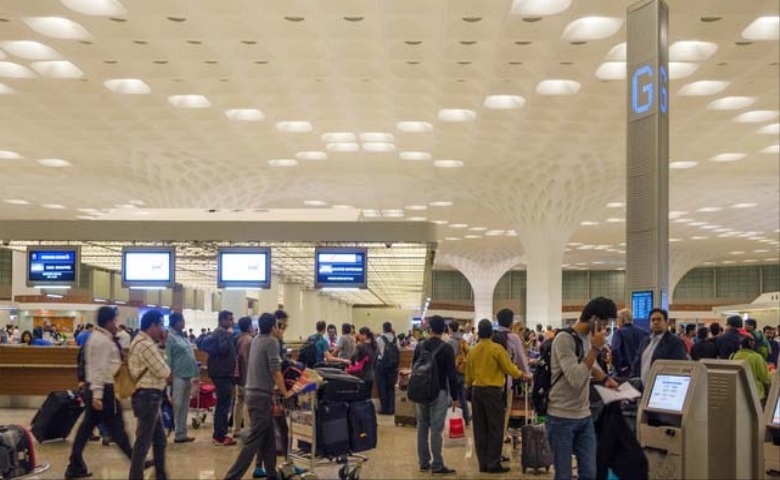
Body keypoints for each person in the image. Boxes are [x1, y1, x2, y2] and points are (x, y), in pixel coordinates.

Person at [547, 297, 619, 480]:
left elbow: (588, 365)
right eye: (604, 323)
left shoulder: (587, 338)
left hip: (584, 415)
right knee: (563, 475)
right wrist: (595, 348)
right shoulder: (563, 339)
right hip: (561, 417)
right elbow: (576, 378)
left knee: (589, 473)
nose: (604, 329)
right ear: (594, 318)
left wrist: (604, 379)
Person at [65, 307, 135, 480]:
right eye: (115, 321)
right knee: (117, 428)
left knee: (87, 427)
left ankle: (74, 465)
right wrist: (97, 395)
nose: (116, 325)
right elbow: (98, 368)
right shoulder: (102, 341)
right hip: (104, 390)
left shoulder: (99, 338)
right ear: (109, 321)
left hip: (99, 389)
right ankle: (136, 460)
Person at [225, 313, 293, 480]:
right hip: (261, 397)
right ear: (273, 327)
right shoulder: (271, 342)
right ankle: (231, 477)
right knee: (253, 442)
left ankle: (272, 474)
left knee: (269, 438)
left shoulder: (255, 339)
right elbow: (276, 371)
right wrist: (286, 392)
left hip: (254, 394)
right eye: (279, 326)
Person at [466, 319, 524, 473]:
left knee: (480, 428)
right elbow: (509, 368)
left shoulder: (472, 351)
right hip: (492, 392)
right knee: (495, 428)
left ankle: (483, 464)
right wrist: (522, 374)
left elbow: (468, 377)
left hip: (476, 391)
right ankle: (493, 463)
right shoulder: (497, 349)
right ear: (491, 333)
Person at [128, 310, 171, 480]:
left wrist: (161, 345)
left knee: (159, 440)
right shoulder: (145, 345)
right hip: (148, 397)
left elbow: (156, 365)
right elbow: (163, 370)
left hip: (149, 396)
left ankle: (161, 475)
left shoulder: (140, 341)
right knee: (143, 444)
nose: (161, 329)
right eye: (160, 324)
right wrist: (161, 350)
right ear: (152, 325)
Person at [413, 315, 458, 476]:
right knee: (436, 430)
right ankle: (437, 464)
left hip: (421, 392)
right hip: (438, 393)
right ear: (444, 330)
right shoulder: (447, 349)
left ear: (429, 329)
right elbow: (452, 376)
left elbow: (414, 368)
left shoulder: (420, 346)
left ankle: (423, 463)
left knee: (422, 428)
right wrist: (454, 396)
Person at [494, 309, 531, 445]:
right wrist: (527, 374)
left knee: (491, 418)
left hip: (489, 383)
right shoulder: (513, 338)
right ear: (511, 322)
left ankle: (489, 452)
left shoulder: (492, 335)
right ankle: (497, 451)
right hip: (505, 383)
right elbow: (521, 359)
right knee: (503, 417)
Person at [633, 308, 688, 389]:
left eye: (659, 320)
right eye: (653, 320)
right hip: (641, 389)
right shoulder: (645, 341)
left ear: (666, 322)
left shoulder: (675, 343)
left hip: (661, 389)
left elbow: (679, 368)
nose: (655, 322)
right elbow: (637, 364)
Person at [165, 312, 199, 444]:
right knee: (176, 405)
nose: (183, 322)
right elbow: (168, 357)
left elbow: (191, 356)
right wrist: (169, 376)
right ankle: (168, 430)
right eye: (181, 320)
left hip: (188, 375)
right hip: (177, 376)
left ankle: (181, 434)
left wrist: (196, 375)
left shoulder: (183, 337)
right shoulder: (170, 337)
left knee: (184, 406)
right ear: (175, 322)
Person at [208, 310, 238, 446]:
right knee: (223, 405)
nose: (232, 322)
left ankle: (220, 434)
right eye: (229, 319)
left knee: (223, 404)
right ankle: (219, 436)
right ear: (222, 320)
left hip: (222, 373)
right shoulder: (221, 333)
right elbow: (223, 349)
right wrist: (229, 335)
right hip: (222, 374)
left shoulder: (220, 332)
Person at [731, 335, 772, 403]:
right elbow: (765, 378)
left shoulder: (733, 356)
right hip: (755, 394)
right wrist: (773, 374)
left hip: (738, 393)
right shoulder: (757, 358)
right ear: (753, 345)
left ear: (740, 345)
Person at [610, 309, 648, 378]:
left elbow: (615, 350)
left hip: (625, 372)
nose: (617, 322)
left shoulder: (619, 333)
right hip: (642, 371)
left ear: (623, 319)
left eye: (618, 319)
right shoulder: (644, 333)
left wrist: (618, 368)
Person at [446, 322, 471, 426]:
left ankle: (453, 419)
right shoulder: (463, 340)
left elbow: (450, 358)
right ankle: (466, 418)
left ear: (450, 329)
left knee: (453, 396)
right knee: (463, 396)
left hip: (454, 371)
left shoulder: (451, 342)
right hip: (462, 371)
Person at [233, 316, 254, 438]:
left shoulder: (237, 338)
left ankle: (236, 429)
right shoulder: (249, 340)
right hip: (247, 377)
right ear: (249, 326)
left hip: (238, 377)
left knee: (238, 403)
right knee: (247, 404)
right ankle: (247, 430)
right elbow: (249, 360)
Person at [375, 321, 399, 415]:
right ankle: (391, 408)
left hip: (381, 365)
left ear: (383, 328)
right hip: (393, 365)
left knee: (382, 386)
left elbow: (376, 351)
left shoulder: (379, 339)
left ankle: (384, 408)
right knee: (391, 387)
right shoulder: (395, 339)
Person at [350, 327, 378, 394]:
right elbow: (376, 362)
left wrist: (354, 364)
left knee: (360, 397)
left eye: (360, 335)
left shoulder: (360, 346)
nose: (359, 337)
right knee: (368, 396)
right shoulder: (375, 346)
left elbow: (353, 357)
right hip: (371, 375)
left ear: (364, 335)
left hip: (361, 375)